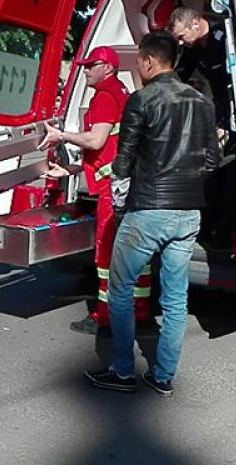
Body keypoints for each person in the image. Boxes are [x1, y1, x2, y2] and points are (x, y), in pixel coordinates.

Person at [85, 31, 219, 396]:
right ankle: (163, 377)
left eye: (138, 62)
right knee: (175, 299)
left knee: (120, 289)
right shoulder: (202, 102)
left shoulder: (141, 100)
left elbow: (123, 160)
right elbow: (212, 160)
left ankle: (122, 371)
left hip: (148, 209)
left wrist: (120, 205)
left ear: (147, 61)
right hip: (188, 213)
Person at [38, 46, 153, 336]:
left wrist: (61, 135)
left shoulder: (104, 96)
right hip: (128, 184)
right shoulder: (121, 92)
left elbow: (96, 140)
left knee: (106, 254)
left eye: (91, 65)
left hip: (111, 190)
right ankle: (140, 313)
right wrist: (71, 170)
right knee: (135, 254)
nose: (85, 70)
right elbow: (109, 148)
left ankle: (105, 317)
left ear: (108, 68)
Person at [169, 6, 236, 245]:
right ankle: (207, 228)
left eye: (182, 36)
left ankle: (223, 232)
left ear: (196, 24)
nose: (181, 42)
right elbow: (179, 77)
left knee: (229, 174)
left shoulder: (227, 37)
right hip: (216, 116)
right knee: (210, 173)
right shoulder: (194, 48)